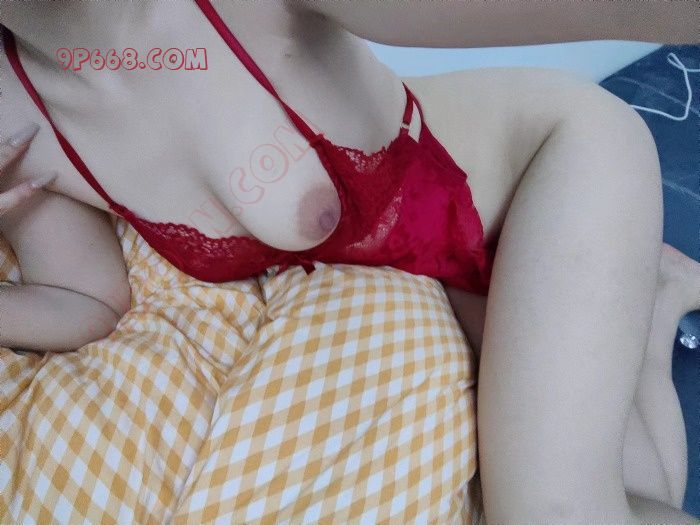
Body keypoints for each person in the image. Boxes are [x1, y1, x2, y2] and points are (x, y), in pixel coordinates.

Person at [1, 2, 699, 522]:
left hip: (536, 177)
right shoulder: (9, 105)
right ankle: (658, 296)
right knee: (644, 488)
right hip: (426, 272)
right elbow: (85, 302)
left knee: (550, 510)